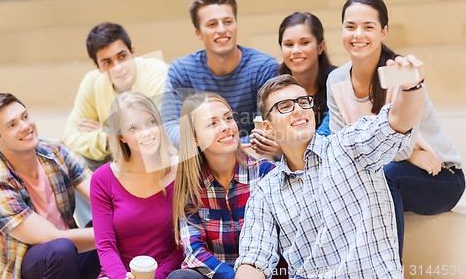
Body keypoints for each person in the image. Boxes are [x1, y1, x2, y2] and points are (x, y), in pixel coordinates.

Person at [235, 66, 426, 278]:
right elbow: (253, 259)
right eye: (285, 106)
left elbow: (398, 122)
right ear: (268, 127)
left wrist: (411, 86)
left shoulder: (349, 145)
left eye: (303, 101)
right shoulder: (266, 192)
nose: (298, 109)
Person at [327, 0, 465, 258]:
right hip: (382, 173)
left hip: (441, 178)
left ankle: (389, 270)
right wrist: (411, 153)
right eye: (350, 26)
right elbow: (340, 146)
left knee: (384, 175)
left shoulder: (401, 73)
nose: (358, 34)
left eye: (368, 27)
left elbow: (397, 146)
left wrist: (406, 152)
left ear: (384, 31)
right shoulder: (336, 79)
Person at [0, 93, 100, 279]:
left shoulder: (55, 151)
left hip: (68, 258)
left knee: (106, 221)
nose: (26, 126)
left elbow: (100, 195)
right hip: (34, 267)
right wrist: (113, 232)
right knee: (61, 248)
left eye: (25, 117)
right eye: (12, 125)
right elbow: (50, 237)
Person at [63, 22, 168, 227]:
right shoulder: (92, 82)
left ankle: (133, 220)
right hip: (118, 156)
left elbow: (158, 133)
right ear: (97, 67)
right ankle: (98, 225)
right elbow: (70, 137)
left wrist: (111, 131)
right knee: (71, 163)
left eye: (122, 56)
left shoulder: (158, 72)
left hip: (155, 157)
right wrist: (108, 136)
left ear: (133, 52)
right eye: (107, 62)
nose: (118, 68)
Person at [168, 92, 275, 279]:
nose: (226, 127)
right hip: (219, 275)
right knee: (181, 277)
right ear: (195, 138)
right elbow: (193, 251)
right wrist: (232, 276)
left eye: (228, 118)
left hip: (262, 274)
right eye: (212, 123)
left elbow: (272, 243)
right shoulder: (191, 186)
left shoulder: (265, 174)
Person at [161, 0, 279, 148]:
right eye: (212, 24)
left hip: (253, 157)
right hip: (203, 158)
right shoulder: (181, 71)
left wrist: (223, 143)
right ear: (198, 33)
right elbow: (170, 127)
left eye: (228, 21)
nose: (222, 30)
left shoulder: (264, 68)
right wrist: (211, 143)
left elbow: (268, 127)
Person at [90, 91, 182, 279]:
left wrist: (155, 277)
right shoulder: (103, 178)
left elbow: (184, 243)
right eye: (133, 128)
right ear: (121, 136)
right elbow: (106, 246)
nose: (146, 133)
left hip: (169, 274)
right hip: (118, 275)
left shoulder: (180, 169)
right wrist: (122, 277)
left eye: (151, 122)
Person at [250, 12, 335, 158]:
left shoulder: (336, 81)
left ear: (320, 46)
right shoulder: (272, 84)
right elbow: (267, 129)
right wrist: (262, 141)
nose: (296, 51)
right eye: (289, 44)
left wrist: (283, 149)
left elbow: (328, 137)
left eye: (304, 43)